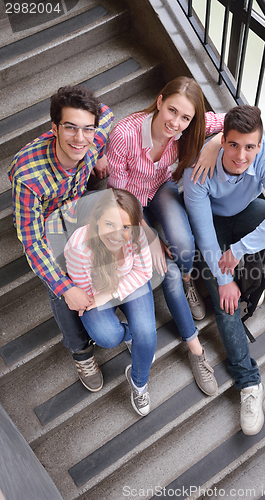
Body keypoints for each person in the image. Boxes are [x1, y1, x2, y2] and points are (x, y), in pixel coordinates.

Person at [105, 76, 225, 397]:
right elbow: (118, 195)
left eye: (185, 117)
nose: (176, 123)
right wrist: (147, 234)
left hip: (160, 189)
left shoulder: (189, 128)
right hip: (128, 206)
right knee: (165, 271)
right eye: (172, 111)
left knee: (185, 245)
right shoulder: (125, 135)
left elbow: (245, 118)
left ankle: (188, 283)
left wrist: (216, 141)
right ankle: (197, 350)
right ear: (159, 102)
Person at [183, 104, 265, 435]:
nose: (241, 155)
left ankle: (253, 281)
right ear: (223, 139)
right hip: (212, 224)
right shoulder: (198, 171)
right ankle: (250, 382)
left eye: (250, 147)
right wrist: (224, 279)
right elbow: (204, 237)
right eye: (233, 145)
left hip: (246, 214)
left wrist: (239, 252)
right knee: (225, 301)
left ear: (260, 145)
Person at [8, 85, 114, 393]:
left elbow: (105, 113)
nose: (80, 139)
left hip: (75, 206)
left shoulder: (93, 140)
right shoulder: (29, 177)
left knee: (115, 208)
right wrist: (66, 287)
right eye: (70, 128)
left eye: (87, 130)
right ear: (54, 128)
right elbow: (31, 241)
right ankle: (81, 351)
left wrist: (99, 156)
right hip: (44, 223)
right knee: (59, 282)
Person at [64, 189, 156, 416]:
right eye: (110, 224)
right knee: (107, 336)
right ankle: (129, 336)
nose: (118, 234)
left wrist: (112, 292)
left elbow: (144, 271)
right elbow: (86, 295)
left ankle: (139, 382)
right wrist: (104, 295)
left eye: (126, 227)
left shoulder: (135, 235)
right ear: (96, 222)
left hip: (127, 282)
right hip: (95, 291)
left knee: (147, 333)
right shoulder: (78, 248)